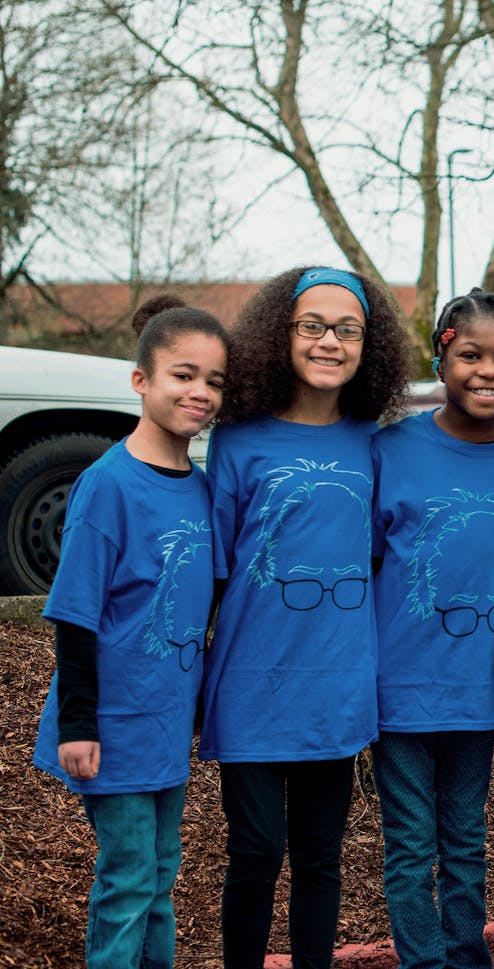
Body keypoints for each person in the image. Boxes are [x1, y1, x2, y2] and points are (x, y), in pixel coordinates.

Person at [202, 267, 410, 969]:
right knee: (256, 849)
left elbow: (382, 554)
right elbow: (216, 566)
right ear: (279, 334)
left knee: (321, 855)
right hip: (250, 681)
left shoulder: (375, 445)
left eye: (347, 329)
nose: (329, 341)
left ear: (368, 343)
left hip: (338, 682)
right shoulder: (237, 441)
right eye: (312, 325)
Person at [32, 295, 228, 968]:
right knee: (128, 878)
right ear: (140, 378)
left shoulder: (203, 489)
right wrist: (78, 723)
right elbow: (75, 611)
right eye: (182, 374)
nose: (199, 391)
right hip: (110, 723)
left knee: (160, 875)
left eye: (213, 380)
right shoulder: (106, 484)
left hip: (166, 720)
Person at [369, 289, 494, 968]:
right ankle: (423, 962)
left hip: (475, 689)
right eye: (470, 355)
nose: (487, 371)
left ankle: (466, 957)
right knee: (411, 845)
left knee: (466, 838)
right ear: (441, 353)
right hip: (398, 687)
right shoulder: (390, 450)